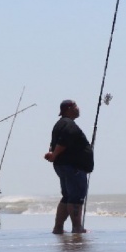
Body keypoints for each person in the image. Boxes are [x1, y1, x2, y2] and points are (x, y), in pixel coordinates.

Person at [44, 99, 93, 234]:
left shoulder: (59, 124)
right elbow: (63, 142)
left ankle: (58, 228)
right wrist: (54, 155)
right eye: (76, 106)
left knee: (67, 197)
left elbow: (55, 143)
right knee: (76, 197)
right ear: (69, 108)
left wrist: (52, 153)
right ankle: (77, 227)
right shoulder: (69, 124)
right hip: (73, 167)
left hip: (63, 166)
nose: (78, 108)